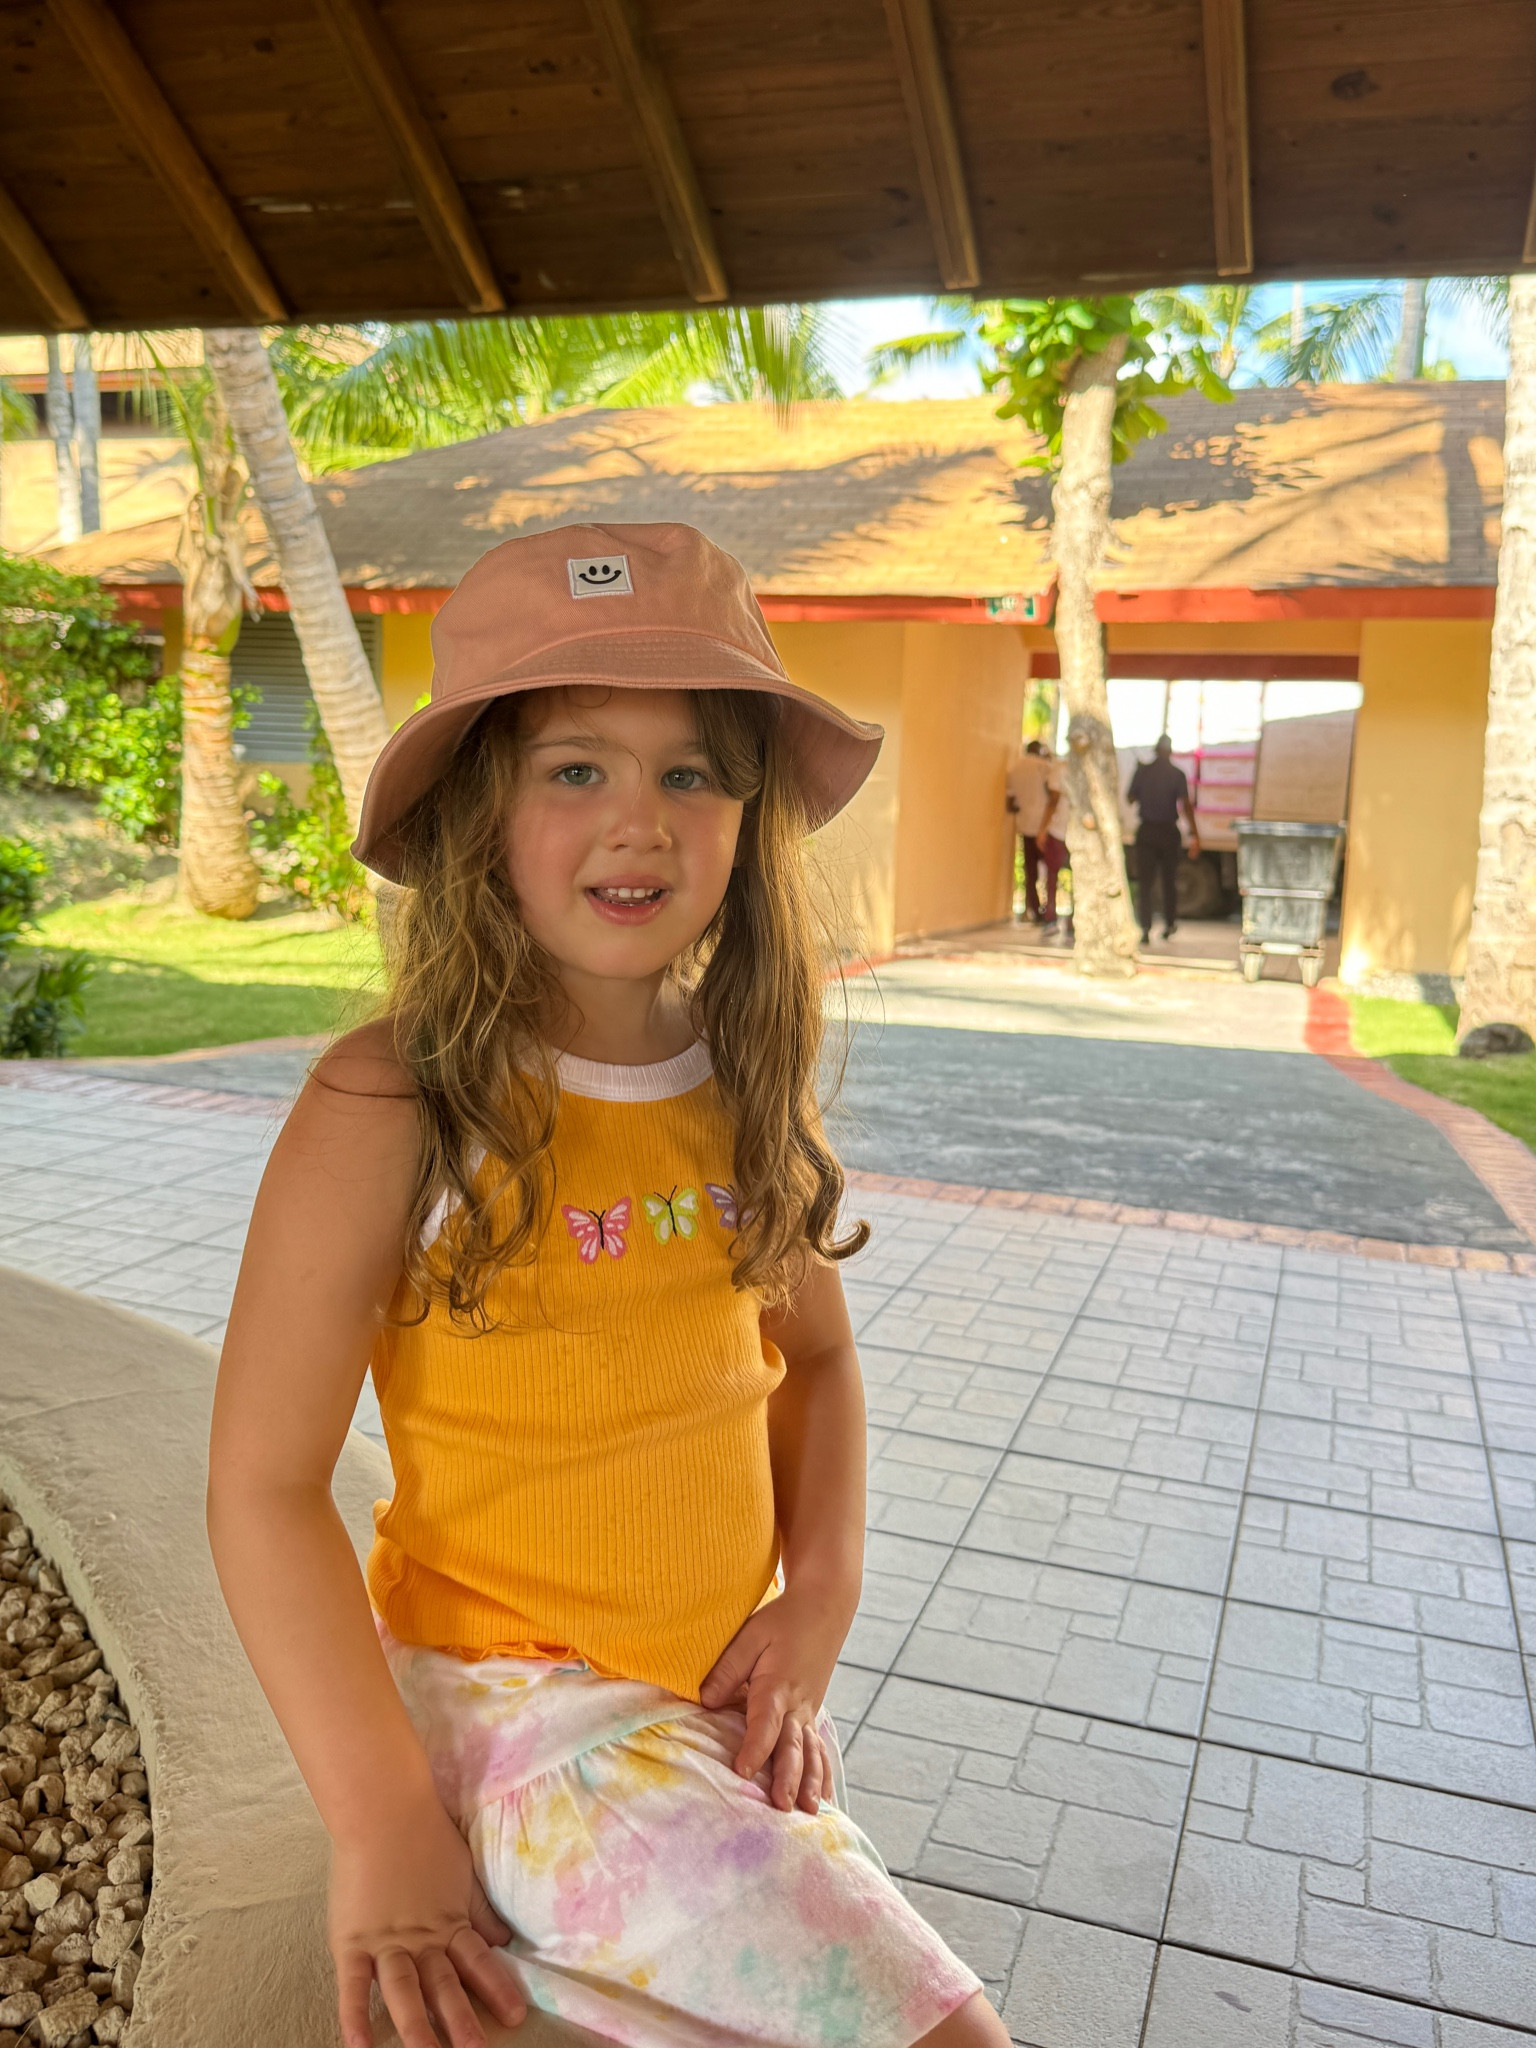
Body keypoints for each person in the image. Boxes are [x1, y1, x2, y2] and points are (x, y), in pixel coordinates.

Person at [207, 523, 1009, 2048]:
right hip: (518, 1713)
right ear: (474, 812)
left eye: (691, 772)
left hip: (689, 1708)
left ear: (745, 818)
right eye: (576, 768)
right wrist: (381, 1827)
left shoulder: (742, 1077)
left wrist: (821, 1599)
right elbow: (260, 1485)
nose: (639, 822)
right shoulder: (395, 1101)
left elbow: (819, 1367)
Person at [1127, 732, 1200, 944]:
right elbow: (1186, 805)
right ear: (1170, 751)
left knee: (1146, 882)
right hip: (1168, 833)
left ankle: (1145, 928)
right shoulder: (1177, 774)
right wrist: (1195, 834)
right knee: (1169, 881)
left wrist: (1140, 775)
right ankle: (1169, 923)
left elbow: (1130, 798)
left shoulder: (1144, 771)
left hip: (1147, 833)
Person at [1006, 737, 1069, 933]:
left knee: (1031, 872)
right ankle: (1049, 914)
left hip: (1025, 825)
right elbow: (1053, 796)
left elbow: (1010, 803)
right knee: (1051, 872)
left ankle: (1035, 910)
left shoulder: (1014, 769)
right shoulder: (1045, 767)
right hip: (1046, 827)